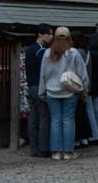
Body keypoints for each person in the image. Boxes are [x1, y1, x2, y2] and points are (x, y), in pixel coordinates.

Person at [37, 27, 89, 162]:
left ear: (54, 37)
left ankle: (55, 152)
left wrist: (42, 91)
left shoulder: (48, 53)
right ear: (69, 38)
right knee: (68, 120)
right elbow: (82, 74)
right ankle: (68, 152)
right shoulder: (73, 53)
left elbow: (43, 74)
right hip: (70, 92)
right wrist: (85, 90)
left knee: (55, 121)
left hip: (51, 91)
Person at [24, 23, 53, 156]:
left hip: (30, 86)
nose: (51, 37)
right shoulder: (41, 50)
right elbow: (45, 70)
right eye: (49, 34)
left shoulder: (29, 49)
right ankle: (43, 148)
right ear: (41, 35)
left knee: (33, 118)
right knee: (44, 117)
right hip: (40, 86)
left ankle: (33, 148)